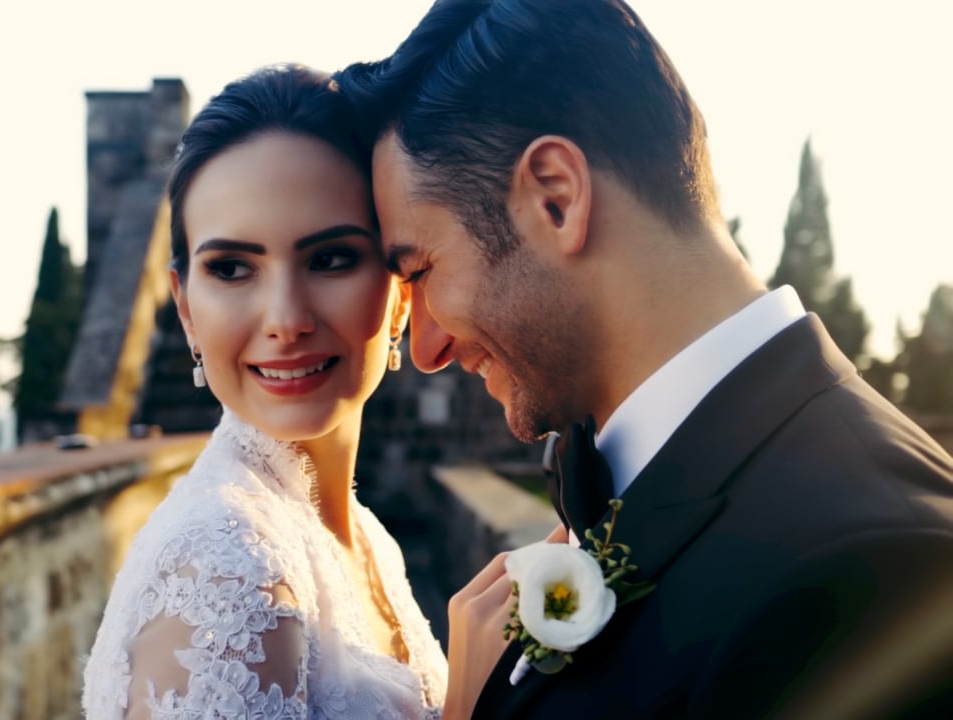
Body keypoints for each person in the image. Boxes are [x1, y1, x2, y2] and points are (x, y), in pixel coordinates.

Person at [334, 0, 953, 717]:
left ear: (556, 198)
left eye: (420, 270)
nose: (427, 347)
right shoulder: (620, 474)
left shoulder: (880, 572)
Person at [81, 65, 454, 719]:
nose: (286, 318)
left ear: (400, 293)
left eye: (331, 257)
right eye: (231, 269)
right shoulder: (226, 564)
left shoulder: (363, 538)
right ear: (187, 309)